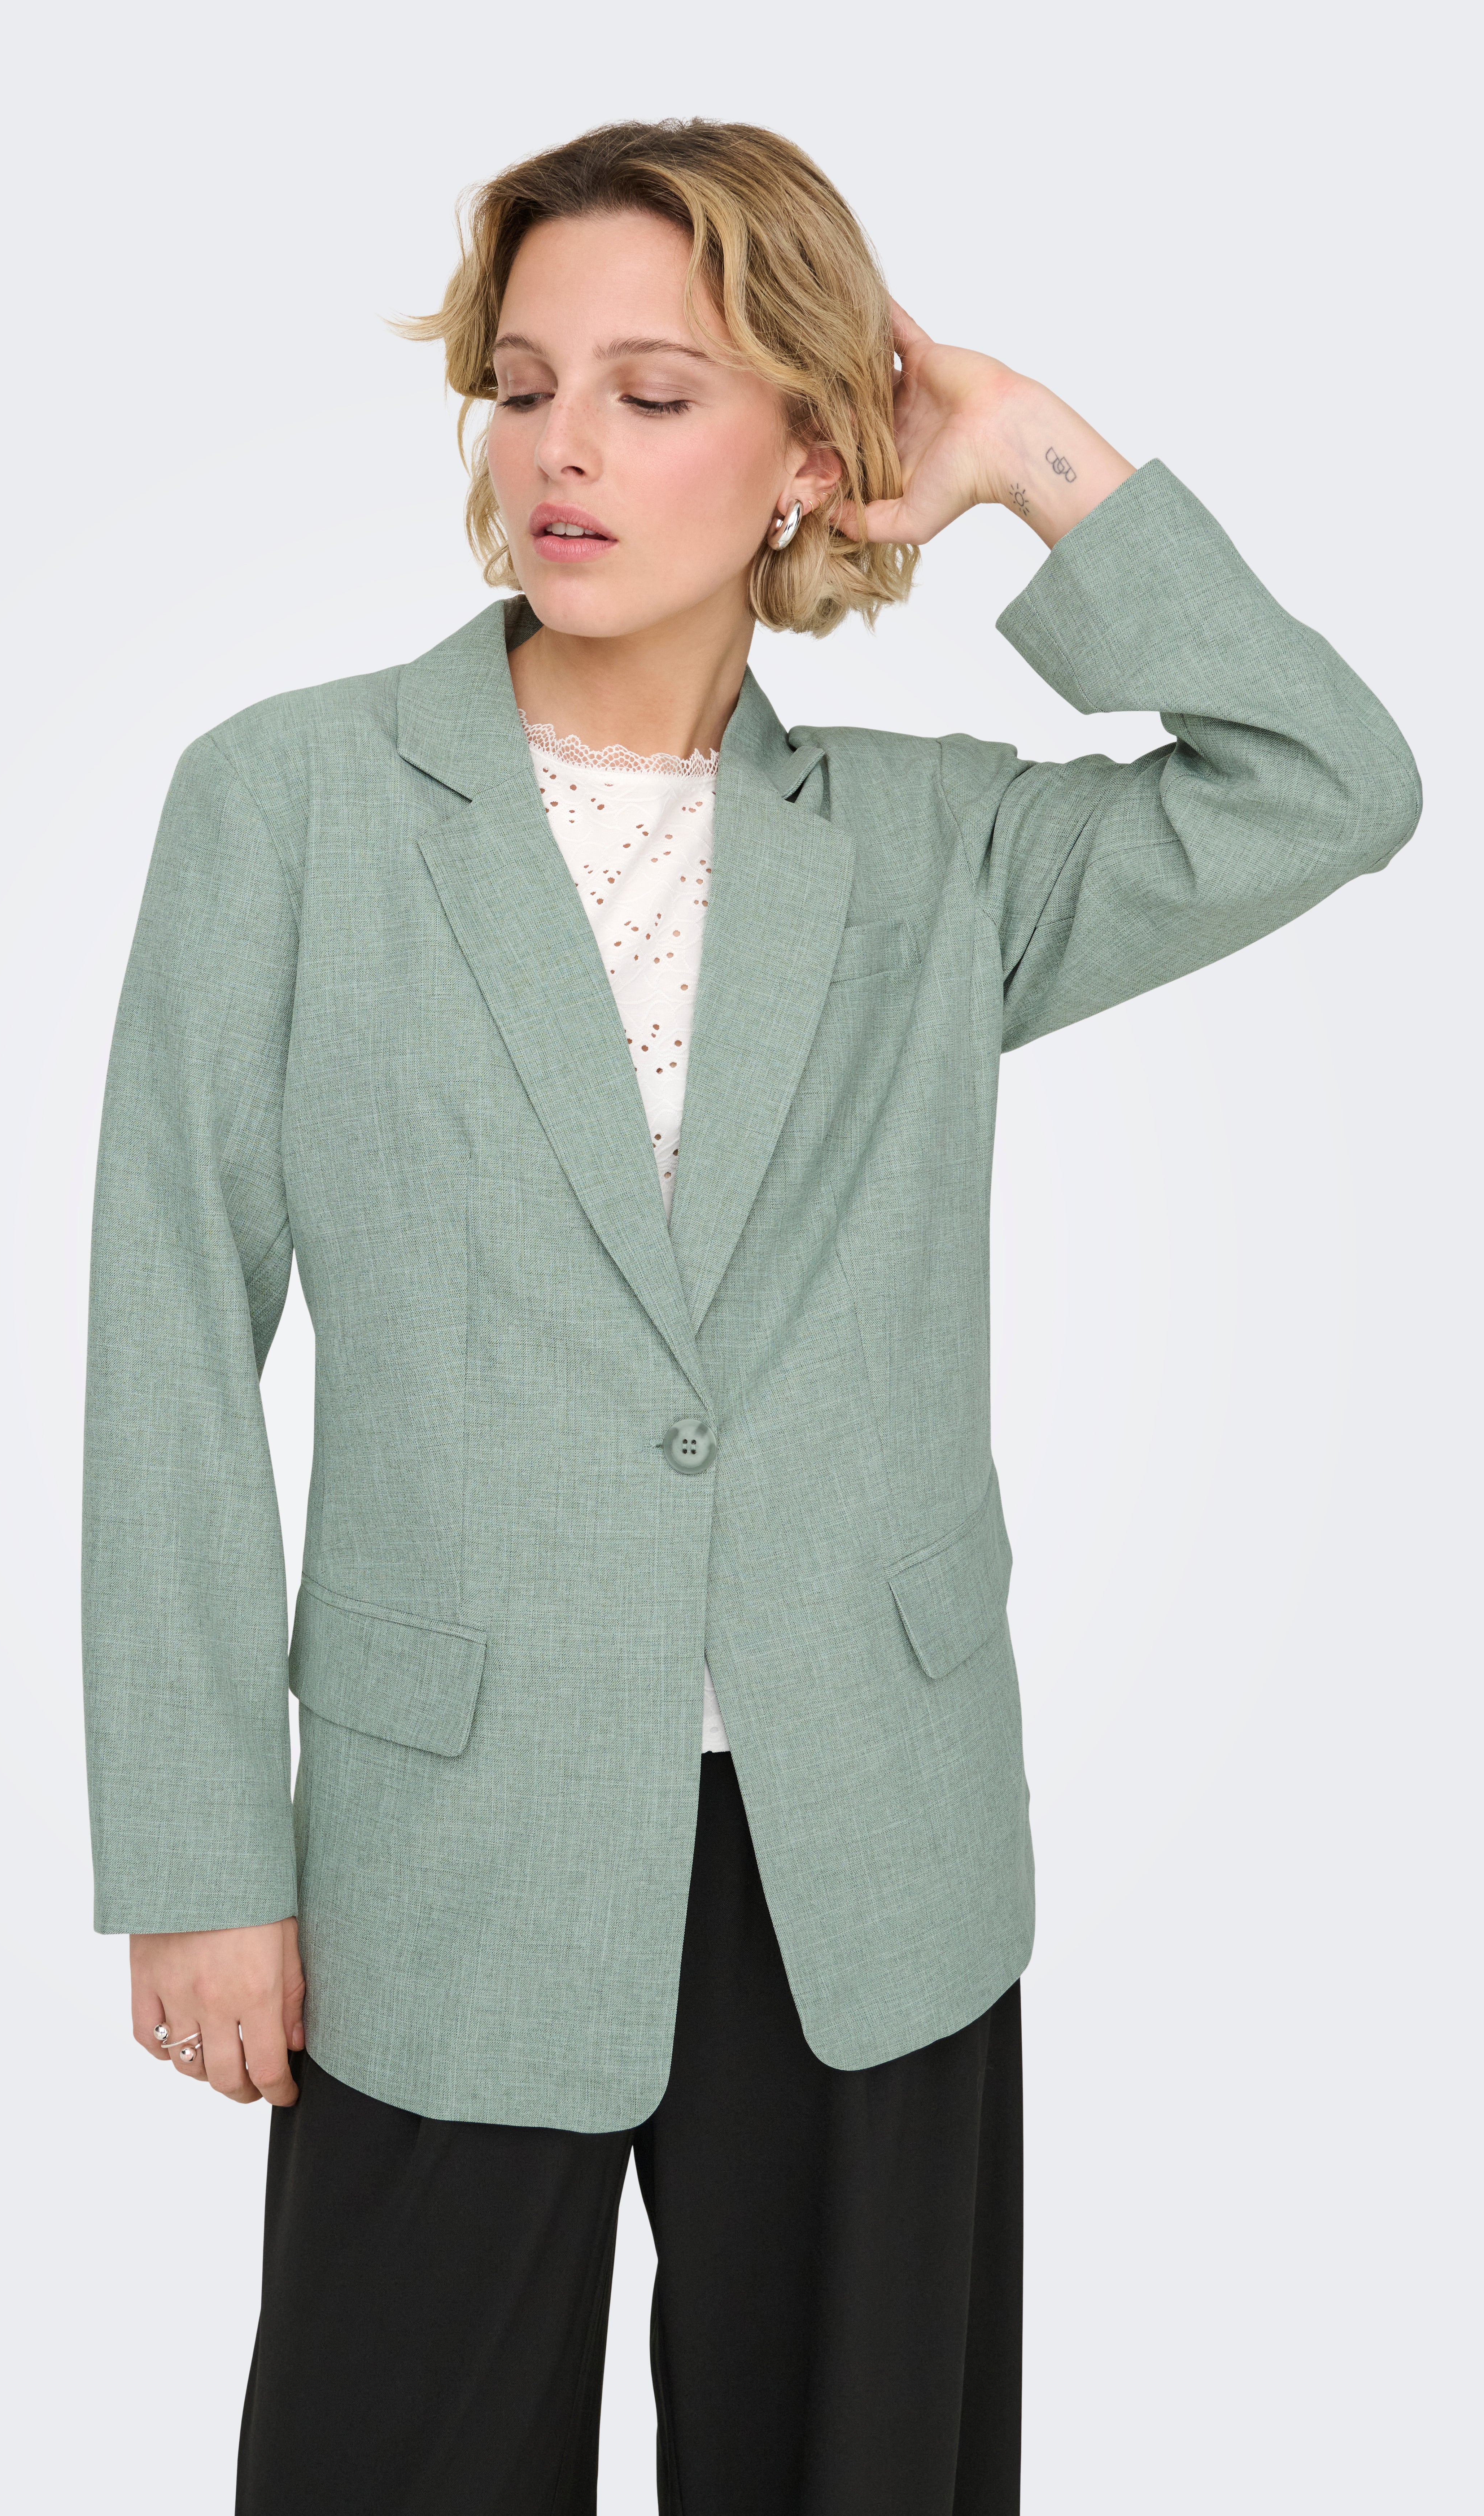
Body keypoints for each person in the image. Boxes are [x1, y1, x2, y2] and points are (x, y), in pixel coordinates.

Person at [81, 118, 1420, 2515]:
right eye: (523, 386)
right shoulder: (288, 807)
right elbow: (168, 1329)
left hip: (864, 1837)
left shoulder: (937, 848)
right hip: (449, 1832)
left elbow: (1334, 787)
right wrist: (202, 1852)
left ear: (812, 448)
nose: (561, 449)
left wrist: (1028, 453)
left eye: (655, 390)